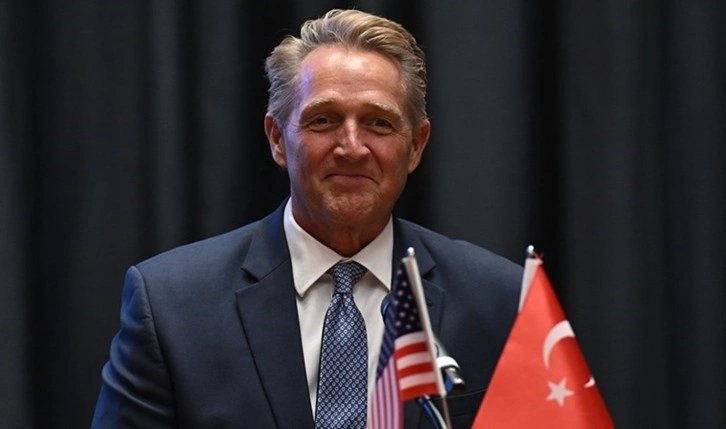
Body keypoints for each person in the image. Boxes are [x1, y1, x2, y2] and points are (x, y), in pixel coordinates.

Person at [91, 8, 521, 428]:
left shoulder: (498, 299)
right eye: (323, 120)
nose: (352, 148)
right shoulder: (172, 304)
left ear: (416, 146)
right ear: (278, 139)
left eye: (378, 123)